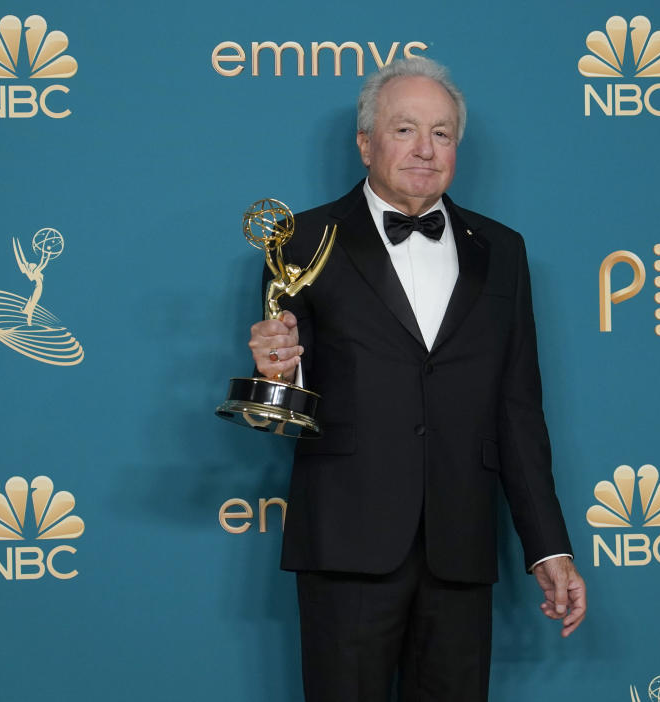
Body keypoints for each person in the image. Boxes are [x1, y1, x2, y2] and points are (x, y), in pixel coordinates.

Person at [247, 56, 586, 702]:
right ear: (365, 142)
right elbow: (282, 398)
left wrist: (548, 548)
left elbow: (518, 410)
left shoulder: (502, 250)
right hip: (345, 544)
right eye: (404, 130)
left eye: (441, 133)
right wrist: (276, 371)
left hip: (459, 548)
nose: (425, 150)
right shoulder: (300, 241)